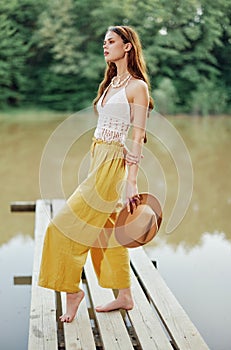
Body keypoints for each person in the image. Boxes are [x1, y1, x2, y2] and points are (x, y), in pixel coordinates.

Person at [38, 25, 154, 323]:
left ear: (127, 46)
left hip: (112, 163)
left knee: (58, 228)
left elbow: (138, 135)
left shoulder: (136, 86)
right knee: (108, 231)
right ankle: (125, 296)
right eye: (104, 42)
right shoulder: (111, 83)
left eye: (111, 41)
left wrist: (130, 181)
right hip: (98, 156)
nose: (105, 46)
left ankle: (71, 291)